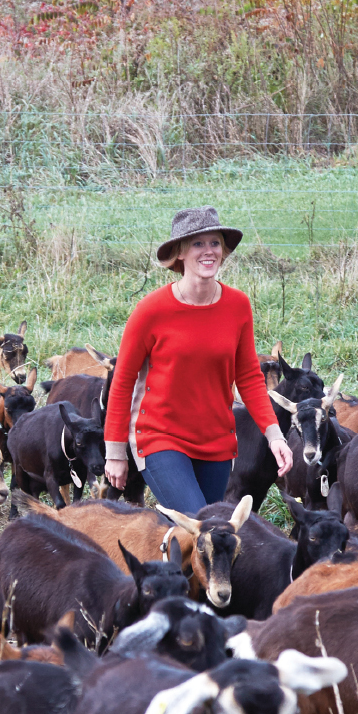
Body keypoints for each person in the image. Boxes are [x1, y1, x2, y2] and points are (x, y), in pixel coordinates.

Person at [103, 208, 293, 515]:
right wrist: (114, 452)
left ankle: (162, 560)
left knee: (203, 539)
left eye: (215, 243)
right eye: (198, 244)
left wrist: (274, 436)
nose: (209, 251)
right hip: (159, 436)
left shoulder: (238, 306)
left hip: (216, 440)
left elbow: (248, 377)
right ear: (180, 253)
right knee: (197, 522)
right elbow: (122, 381)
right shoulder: (151, 311)